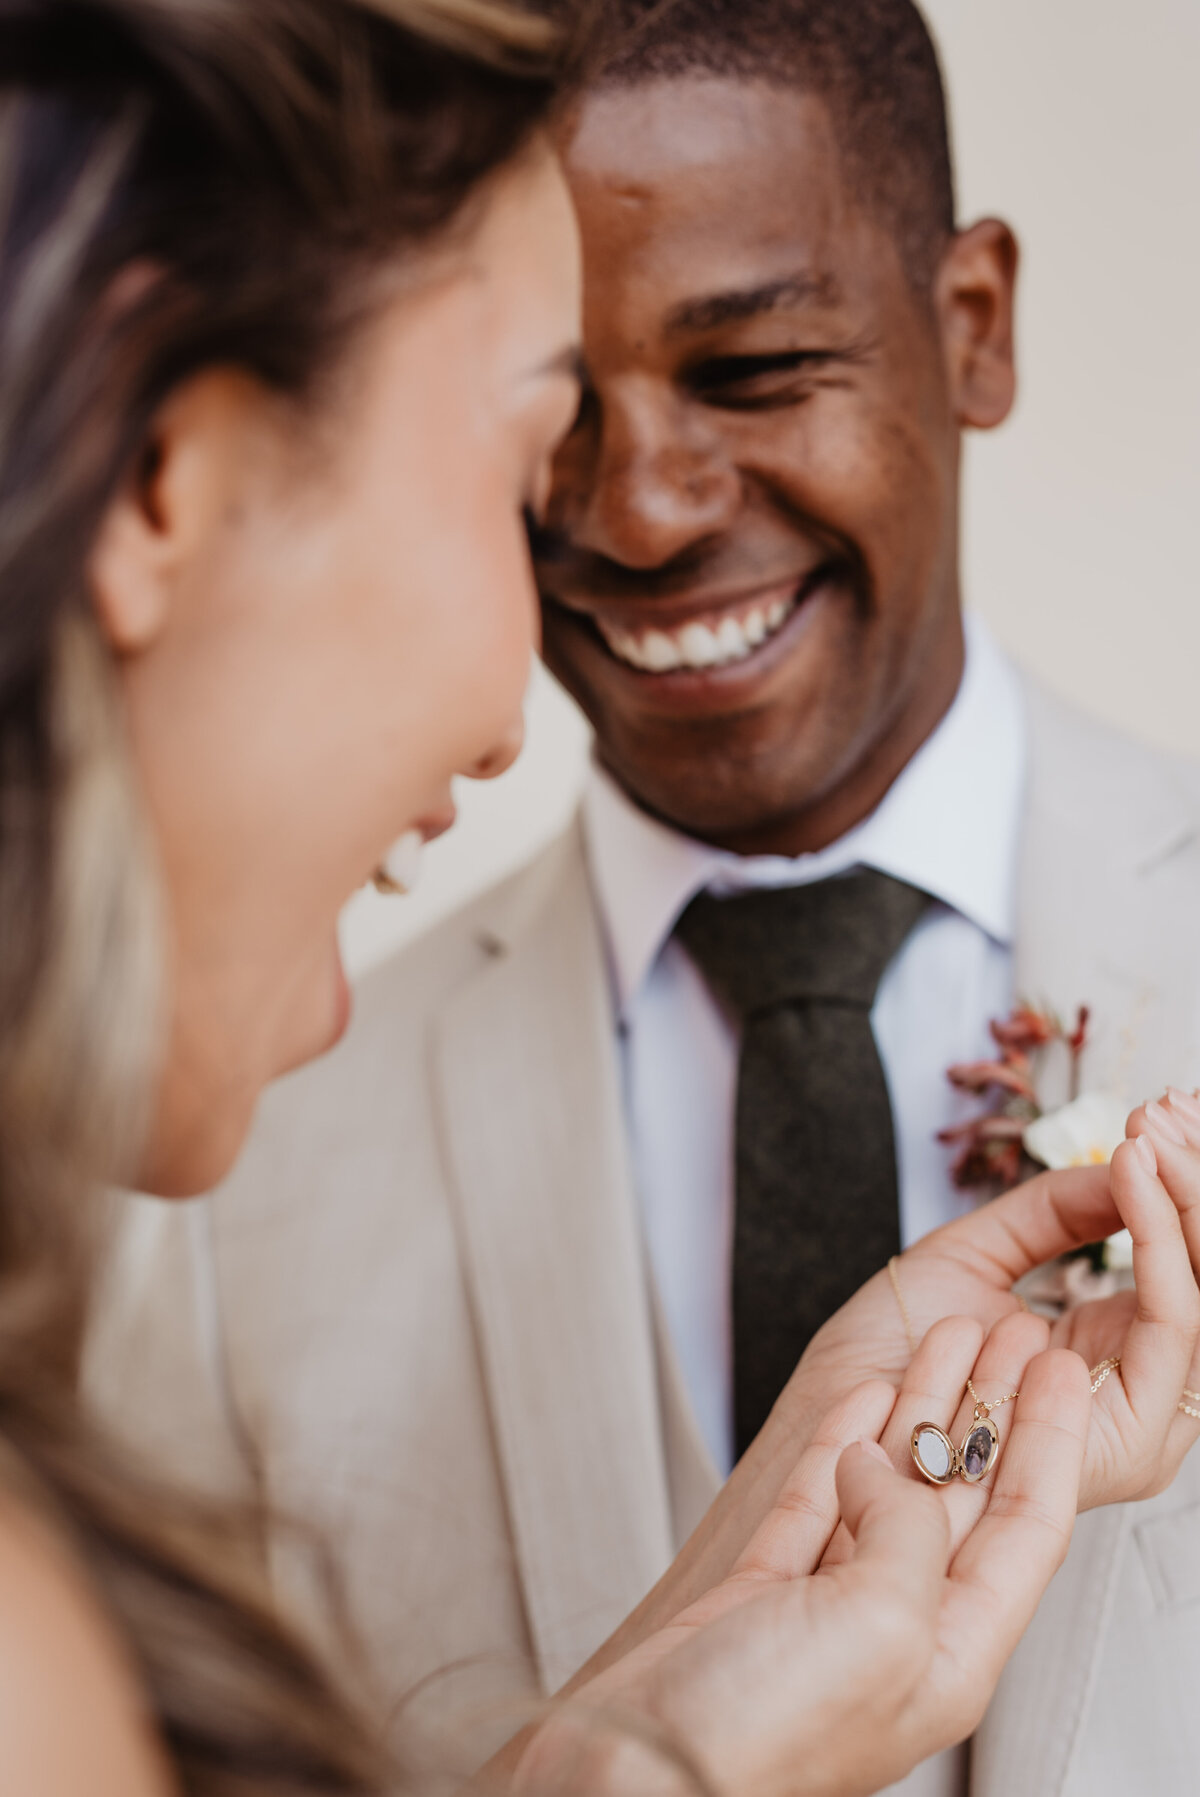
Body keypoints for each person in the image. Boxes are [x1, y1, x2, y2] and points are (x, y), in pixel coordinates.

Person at [1, 2, 1166, 1795]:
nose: (632, 514)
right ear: (166, 464)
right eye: (539, 436)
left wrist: (644, 1743)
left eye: (757, 367)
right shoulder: (237, 1169)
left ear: (973, 330)